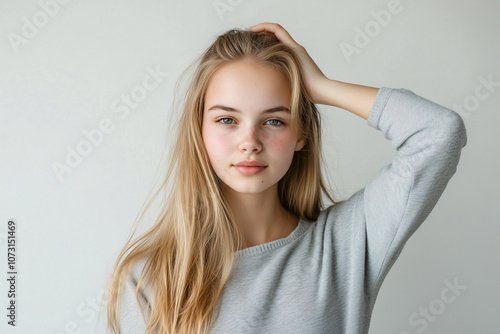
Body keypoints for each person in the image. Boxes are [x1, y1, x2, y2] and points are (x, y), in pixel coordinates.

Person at [102, 22, 467, 334]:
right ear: (199, 131)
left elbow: (439, 132)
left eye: (274, 120)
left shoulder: (346, 243)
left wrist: (321, 87)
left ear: (301, 133)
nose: (250, 143)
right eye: (227, 119)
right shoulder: (150, 277)